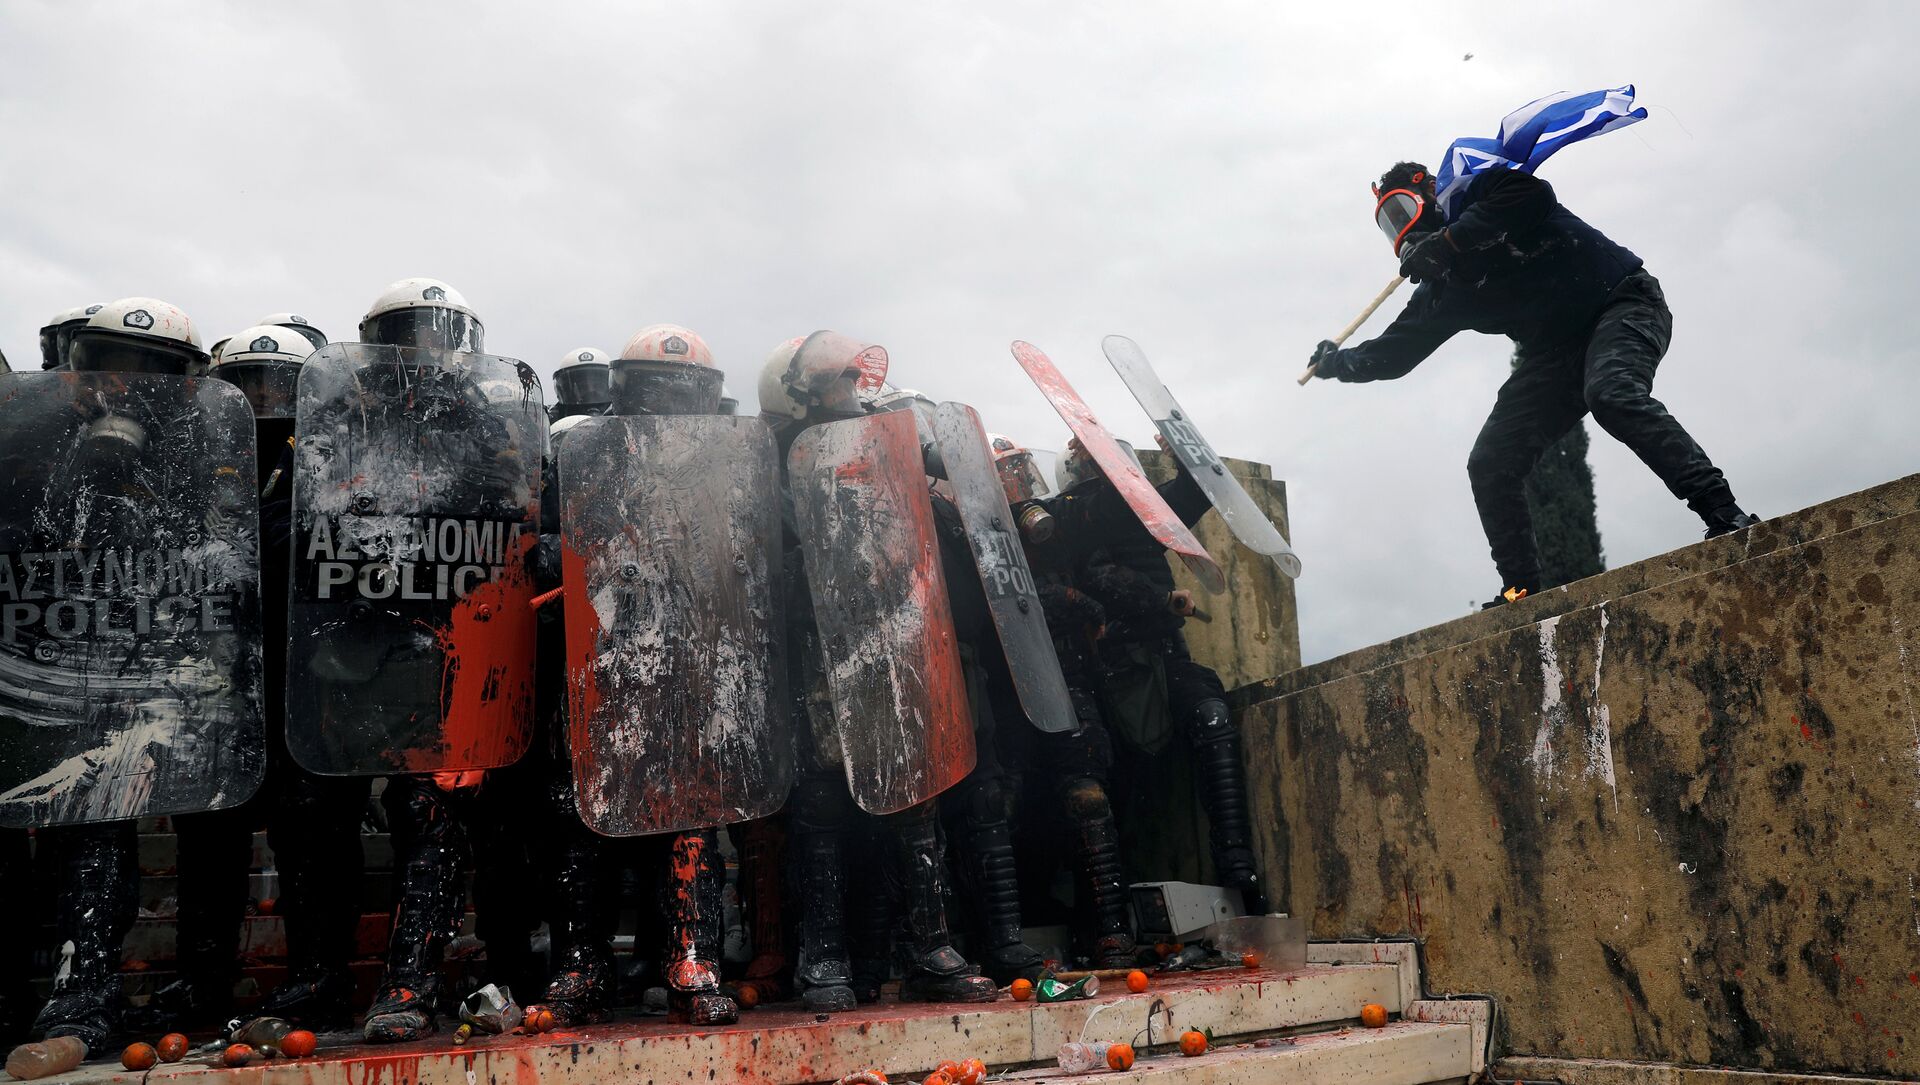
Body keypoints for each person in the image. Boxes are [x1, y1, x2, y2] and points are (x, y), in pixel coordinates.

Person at [1309, 162, 1758, 605]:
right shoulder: (1445, 290)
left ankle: (1725, 513)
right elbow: (1393, 355)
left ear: (1428, 191)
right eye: (1390, 222)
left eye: (1402, 210)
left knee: (1612, 393)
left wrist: (1448, 241)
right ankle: (1520, 591)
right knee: (1491, 460)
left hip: (1621, 301)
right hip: (1557, 353)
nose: (1401, 228)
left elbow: (1533, 194)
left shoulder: (1483, 191)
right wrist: (1336, 362)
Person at [758, 334, 997, 1009]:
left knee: (915, 795)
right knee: (822, 804)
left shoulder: (881, 448)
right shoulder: (774, 466)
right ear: (799, 395)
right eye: (839, 383)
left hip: (892, 643)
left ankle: (929, 948)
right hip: (817, 651)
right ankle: (824, 957)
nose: (853, 394)